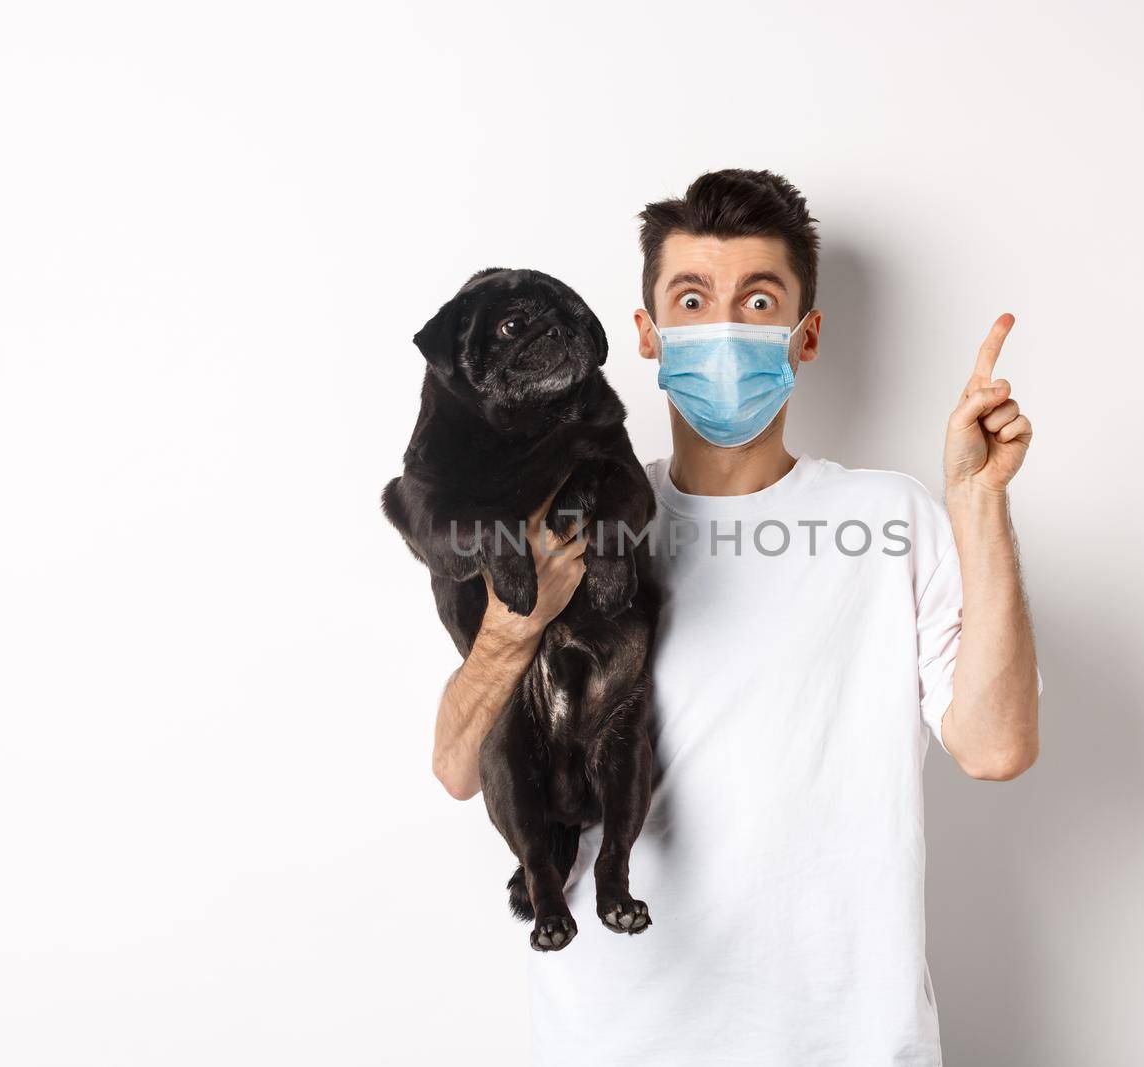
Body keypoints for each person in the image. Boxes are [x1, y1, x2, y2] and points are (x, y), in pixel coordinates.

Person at [429, 169, 1041, 1065]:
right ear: (647, 334)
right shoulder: (564, 518)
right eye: (691, 298)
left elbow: (994, 747)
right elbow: (454, 768)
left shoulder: (890, 520)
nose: (724, 329)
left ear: (807, 336)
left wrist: (977, 499)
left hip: (850, 1039)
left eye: (759, 299)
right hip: (616, 1035)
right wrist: (519, 623)